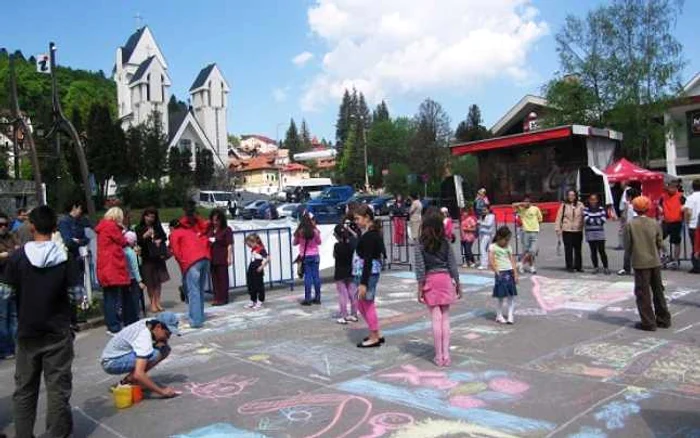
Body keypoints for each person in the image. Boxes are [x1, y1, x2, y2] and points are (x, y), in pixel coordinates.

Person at [2, 206, 84, 438]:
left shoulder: (18, 257)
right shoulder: (64, 255)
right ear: (54, 227)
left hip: (27, 330)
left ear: (32, 226)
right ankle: (55, 434)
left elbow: (6, 294)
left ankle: (24, 434)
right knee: (57, 388)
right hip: (57, 329)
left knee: (25, 389)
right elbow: (76, 295)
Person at [414, 213, 462, 367]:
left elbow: (420, 268)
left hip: (431, 281)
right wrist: (458, 283)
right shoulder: (446, 243)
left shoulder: (420, 244)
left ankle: (438, 355)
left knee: (436, 318)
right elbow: (452, 265)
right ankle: (446, 355)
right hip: (445, 279)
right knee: (445, 317)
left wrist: (420, 288)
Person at [100, 312, 180, 398]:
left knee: (164, 349)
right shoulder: (144, 336)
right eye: (167, 334)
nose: (168, 337)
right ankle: (128, 382)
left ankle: (130, 380)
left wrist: (162, 341)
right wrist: (162, 392)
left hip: (117, 355)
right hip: (111, 362)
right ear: (158, 327)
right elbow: (138, 373)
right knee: (155, 354)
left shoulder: (151, 323)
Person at [625, 196, 671, 331]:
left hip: (640, 262)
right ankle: (663, 319)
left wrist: (628, 257)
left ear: (634, 208)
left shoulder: (631, 224)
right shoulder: (654, 223)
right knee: (658, 290)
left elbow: (627, 245)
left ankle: (648, 322)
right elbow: (660, 241)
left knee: (642, 293)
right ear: (648, 208)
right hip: (654, 261)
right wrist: (663, 250)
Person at [170, 202, 211, 328]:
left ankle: (196, 320)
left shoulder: (175, 234)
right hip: (205, 258)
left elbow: (176, 252)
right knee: (199, 290)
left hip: (192, 261)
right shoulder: (191, 231)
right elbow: (204, 227)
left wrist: (183, 263)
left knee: (193, 291)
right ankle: (199, 315)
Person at [96, 207, 133, 334]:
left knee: (108, 297)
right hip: (112, 265)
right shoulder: (111, 227)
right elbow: (122, 241)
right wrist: (122, 228)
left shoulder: (103, 226)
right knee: (113, 297)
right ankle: (114, 325)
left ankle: (111, 323)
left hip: (104, 265)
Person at [354, 205, 385, 348]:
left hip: (367, 274)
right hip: (366, 272)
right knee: (361, 303)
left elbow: (367, 260)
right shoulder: (371, 233)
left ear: (367, 218)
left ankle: (374, 336)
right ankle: (375, 332)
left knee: (367, 303)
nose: (356, 222)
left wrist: (363, 283)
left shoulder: (370, 236)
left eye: (358, 219)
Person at [135, 208, 170, 313]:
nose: (151, 218)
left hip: (158, 256)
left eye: (153, 217)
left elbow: (164, 237)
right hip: (147, 257)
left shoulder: (157, 226)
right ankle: (152, 303)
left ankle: (158, 302)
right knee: (150, 282)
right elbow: (138, 241)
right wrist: (145, 235)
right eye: (149, 216)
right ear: (144, 216)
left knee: (158, 281)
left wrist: (159, 240)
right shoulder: (139, 227)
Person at [489, 226, 518, 324]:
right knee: (501, 295)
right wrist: (497, 271)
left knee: (511, 295)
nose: (506, 242)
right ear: (499, 237)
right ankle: (499, 315)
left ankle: (510, 315)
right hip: (500, 272)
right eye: (505, 240)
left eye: (508, 240)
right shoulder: (493, 247)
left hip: (509, 272)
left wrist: (515, 272)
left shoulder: (508, 247)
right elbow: (491, 260)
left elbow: (512, 260)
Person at [0, 212, 20, 360]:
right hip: (1, 283)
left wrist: (8, 254)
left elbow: (18, 252)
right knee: (3, 318)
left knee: (14, 317)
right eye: (0, 225)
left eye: (6, 224)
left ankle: (15, 347)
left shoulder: (10, 236)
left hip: (13, 282)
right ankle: (6, 349)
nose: (3, 227)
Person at [294, 213, 322, 306]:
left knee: (308, 278)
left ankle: (308, 299)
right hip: (315, 255)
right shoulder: (315, 231)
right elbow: (319, 242)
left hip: (305, 256)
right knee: (316, 277)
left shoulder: (300, 231)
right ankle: (318, 298)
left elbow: (294, 243)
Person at [333, 224, 358, 324]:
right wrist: (349, 230)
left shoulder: (337, 246)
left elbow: (334, 256)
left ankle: (344, 315)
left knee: (342, 294)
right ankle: (354, 314)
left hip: (340, 272)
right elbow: (356, 237)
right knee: (352, 293)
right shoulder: (351, 245)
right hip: (350, 271)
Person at [555, 190, 585, 272]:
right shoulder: (564, 205)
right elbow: (559, 217)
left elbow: (584, 216)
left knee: (578, 249)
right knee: (568, 249)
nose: (571, 197)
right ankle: (569, 266)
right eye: (569, 195)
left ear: (576, 196)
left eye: (573, 195)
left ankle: (578, 266)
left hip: (578, 230)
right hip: (567, 230)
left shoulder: (580, 205)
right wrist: (558, 228)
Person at [513, 195, 543, 274]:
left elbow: (540, 219)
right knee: (526, 251)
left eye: (528, 201)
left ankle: (521, 264)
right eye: (525, 201)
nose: (526, 203)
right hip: (525, 231)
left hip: (534, 231)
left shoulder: (535, 209)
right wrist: (521, 204)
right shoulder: (521, 210)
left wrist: (536, 227)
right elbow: (513, 205)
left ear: (530, 202)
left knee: (532, 251)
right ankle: (531, 266)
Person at [209, 209, 233, 306]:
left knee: (223, 278)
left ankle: (223, 298)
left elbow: (229, 244)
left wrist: (229, 257)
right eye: (213, 220)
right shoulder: (210, 230)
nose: (215, 222)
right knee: (214, 279)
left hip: (222, 256)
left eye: (217, 220)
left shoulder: (227, 230)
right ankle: (216, 297)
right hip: (212, 257)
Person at [659, 183, 685, 270]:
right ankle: (665, 255)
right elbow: (659, 204)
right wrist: (660, 209)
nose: (671, 189)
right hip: (666, 221)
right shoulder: (663, 196)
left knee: (676, 241)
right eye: (670, 187)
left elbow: (685, 206)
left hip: (676, 221)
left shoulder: (680, 196)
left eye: (674, 187)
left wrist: (683, 209)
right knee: (658, 239)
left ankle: (675, 260)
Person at [584, 194, 610, 275]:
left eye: (594, 199)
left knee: (602, 251)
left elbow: (603, 219)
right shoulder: (586, 209)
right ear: (589, 200)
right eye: (591, 199)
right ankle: (595, 267)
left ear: (597, 200)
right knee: (593, 251)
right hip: (590, 234)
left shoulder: (601, 208)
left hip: (600, 234)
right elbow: (586, 219)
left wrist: (593, 220)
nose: (593, 201)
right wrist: (596, 220)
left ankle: (606, 267)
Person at [123, 231, 146, 323]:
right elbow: (135, 267)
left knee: (126, 299)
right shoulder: (131, 253)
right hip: (133, 279)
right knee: (135, 299)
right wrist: (140, 281)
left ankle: (126, 317)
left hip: (124, 278)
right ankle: (135, 316)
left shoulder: (122, 251)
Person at [618, 188, 640, 276]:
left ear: (630, 197)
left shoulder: (633, 206)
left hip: (632, 228)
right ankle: (627, 268)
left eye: (627, 196)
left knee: (631, 250)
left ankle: (634, 268)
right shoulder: (631, 205)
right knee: (628, 250)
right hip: (629, 227)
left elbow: (632, 217)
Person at [245, 234, 268, 309]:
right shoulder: (253, 249)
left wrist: (262, 266)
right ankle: (252, 299)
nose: (249, 246)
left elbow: (267, 258)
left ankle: (260, 300)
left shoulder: (261, 249)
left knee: (259, 285)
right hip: (251, 267)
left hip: (257, 268)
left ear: (255, 241)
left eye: (250, 244)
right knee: (251, 284)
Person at [685, 179, 700, 274]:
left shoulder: (690, 198)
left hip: (694, 224)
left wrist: (687, 222)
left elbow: (688, 212)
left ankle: (697, 266)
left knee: (695, 246)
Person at [477, 205, 496, 270]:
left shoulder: (491, 216)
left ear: (488, 210)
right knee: (485, 249)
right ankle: (486, 263)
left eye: (485, 210)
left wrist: (480, 222)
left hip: (488, 234)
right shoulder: (483, 216)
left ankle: (484, 264)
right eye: (483, 210)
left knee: (483, 248)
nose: (483, 211)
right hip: (483, 234)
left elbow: (489, 224)